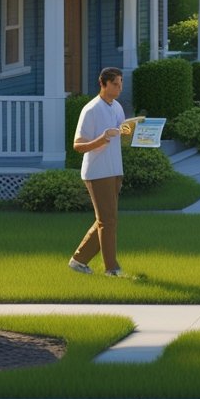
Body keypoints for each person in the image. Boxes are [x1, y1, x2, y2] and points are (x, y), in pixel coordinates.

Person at [69, 67, 138, 277]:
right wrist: (101, 138)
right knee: (107, 221)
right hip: (97, 172)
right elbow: (78, 145)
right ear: (103, 83)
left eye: (121, 83)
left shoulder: (116, 107)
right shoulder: (90, 110)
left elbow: (121, 136)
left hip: (115, 169)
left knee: (105, 220)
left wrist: (137, 133)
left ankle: (78, 260)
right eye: (115, 84)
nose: (119, 87)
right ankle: (112, 269)